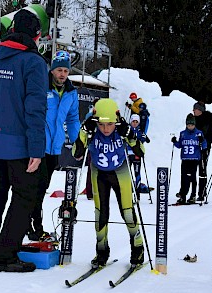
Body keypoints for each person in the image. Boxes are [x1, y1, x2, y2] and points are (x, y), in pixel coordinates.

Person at [0, 9, 48, 273]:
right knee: (25, 197)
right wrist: (37, 149)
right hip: (20, 145)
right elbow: (35, 109)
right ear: (36, 36)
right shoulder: (34, 63)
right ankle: (4, 255)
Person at [72, 98, 144, 267]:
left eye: (110, 124)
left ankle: (138, 248)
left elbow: (140, 151)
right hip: (99, 174)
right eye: (102, 125)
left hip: (120, 172)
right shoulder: (90, 127)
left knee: (127, 211)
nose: (105, 129)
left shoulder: (121, 126)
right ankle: (102, 250)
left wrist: (130, 134)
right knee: (100, 213)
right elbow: (77, 153)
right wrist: (83, 132)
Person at [27, 50, 80, 241]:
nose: (62, 74)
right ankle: (34, 226)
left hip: (53, 150)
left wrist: (77, 141)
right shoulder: (42, 87)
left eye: (66, 70)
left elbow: (73, 118)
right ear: (52, 70)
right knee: (35, 189)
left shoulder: (71, 93)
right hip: (37, 148)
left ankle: (32, 225)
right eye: (59, 69)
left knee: (42, 188)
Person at [171, 113, 207, 204]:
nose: (190, 127)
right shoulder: (183, 134)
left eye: (192, 125)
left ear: (194, 125)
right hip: (185, 159)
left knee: (192, 177)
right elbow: (180, 145)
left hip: (194, 159)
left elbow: (204, 145)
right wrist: (175, 141)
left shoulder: (198, 133)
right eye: (188, 125)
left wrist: (202, 141)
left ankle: (193, 195)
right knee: (184, 178)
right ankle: (183, 196)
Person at [192, 101, 212, 202]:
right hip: (193, 148)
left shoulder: (209, 118)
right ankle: (192, 194)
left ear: (200, 110)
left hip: (204, 148)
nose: (193, 110)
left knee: (202, 169)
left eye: (195, 109)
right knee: (191, 170)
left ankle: (202, 193)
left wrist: (205, 141)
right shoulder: (193, 118)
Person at [127, 114, 149, 201]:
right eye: (133, 121)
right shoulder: (127, 130)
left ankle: (137, 194)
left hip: (137, 154)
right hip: (128, 154)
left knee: (137, 173)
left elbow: (144, 139)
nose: (135, 123)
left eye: (136, 122)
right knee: (127, 174)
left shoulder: (140, 131)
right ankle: (128, 193)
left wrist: (143, 138)